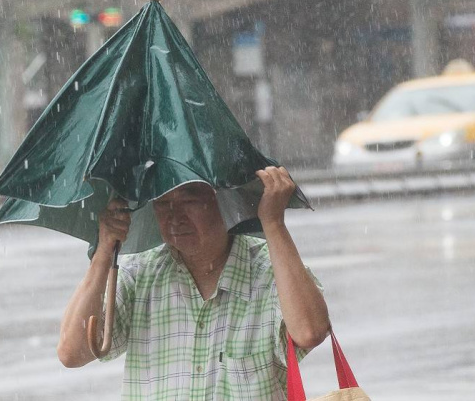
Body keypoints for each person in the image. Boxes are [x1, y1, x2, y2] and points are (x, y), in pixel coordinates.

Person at [57, 166, 330, 400]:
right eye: (163, 203)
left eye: (189, 201)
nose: (174, 216)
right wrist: (104, 251)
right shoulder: (141, 274)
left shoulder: (268, 272)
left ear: (223, 200)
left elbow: (310, 332)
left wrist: (273, 223)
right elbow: (72, 352)